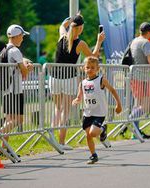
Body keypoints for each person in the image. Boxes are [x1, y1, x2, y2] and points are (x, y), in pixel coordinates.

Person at [49, 14, 105, 150]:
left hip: (53, 78)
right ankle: (61, 143)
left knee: (57, 109)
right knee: (66, 111)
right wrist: (99, 41)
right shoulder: (81, 44)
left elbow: (63, 25)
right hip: (68, 79)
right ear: (81, 28)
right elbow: (93, 57)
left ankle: (50, 136)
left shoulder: (62, 35)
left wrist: (71, 18)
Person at [72, 56, 122, 164]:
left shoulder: (101, 80)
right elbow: (80, 96)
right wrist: (76, 100)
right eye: (87, 67)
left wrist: (118, 104)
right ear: (83, 68)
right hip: (88, 112)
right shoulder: (83, 83)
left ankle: (102, 130)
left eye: (92, 68)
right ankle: (93, 155)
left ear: (97, 69)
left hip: (99, 112)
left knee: (93, 133)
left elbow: (112, 90)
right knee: (88, 135)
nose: (90, 70)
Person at [0, 24, 34, 155]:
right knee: (18, 120)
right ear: (17, 36)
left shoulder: (5, 49)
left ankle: (3, 148)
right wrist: (28, 67)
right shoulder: (15, 51)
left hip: (7, 90)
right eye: (22, 36)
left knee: (9, 119)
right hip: (15, 90)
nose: (22, 39)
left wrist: (24, 63)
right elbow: (24, 71)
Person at [127, 22, 150, 139]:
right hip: (142, 77)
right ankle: (129, 119)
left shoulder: (134, 41)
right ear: (149, 32)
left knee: (138, 104)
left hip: (134, 76)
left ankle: (136, 131)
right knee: (145, 106)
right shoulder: (146, 42)